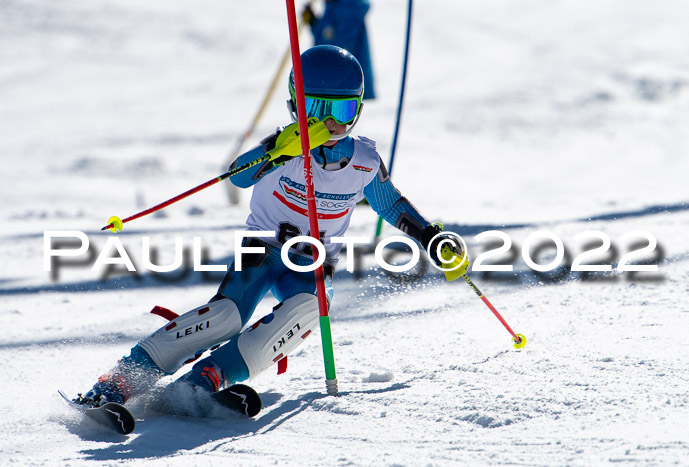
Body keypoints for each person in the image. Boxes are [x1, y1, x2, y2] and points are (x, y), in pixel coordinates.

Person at [75, 45, 461, 408]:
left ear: (357, 110)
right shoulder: (286, 147)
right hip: (261, 250)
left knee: (310, 309)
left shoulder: (363, 160)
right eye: (316, 107)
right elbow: (238, 177)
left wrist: (430, 237)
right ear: (295, 104)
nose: (327, 122)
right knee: (227, 317)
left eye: (340, 111)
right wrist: (277, 150)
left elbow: (389, 203)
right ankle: (120, 381)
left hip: (311, 263)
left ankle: (205, 380)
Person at [303, 0, 375, 99]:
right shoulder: (332, 6)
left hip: (350, 91)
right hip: (334, 88)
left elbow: (339, 49)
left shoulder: (349, 8)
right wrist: (314, 23)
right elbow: (326, 37)